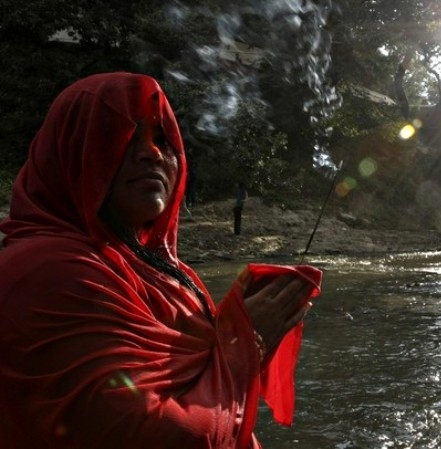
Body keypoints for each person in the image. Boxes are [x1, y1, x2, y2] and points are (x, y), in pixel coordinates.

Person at [0, 72, 321, 449]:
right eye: (122, 135)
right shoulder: (45, 271)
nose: (151, 153)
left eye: (162, 139)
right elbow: (159, 436)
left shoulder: (162, 268)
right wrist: (249, 340)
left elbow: (192, 376)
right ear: (71, 151)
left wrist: (242, 328)